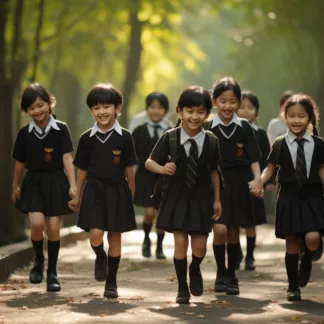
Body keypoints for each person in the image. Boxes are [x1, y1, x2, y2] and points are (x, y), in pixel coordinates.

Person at [145, 86, 222, 304]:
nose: (194, 117)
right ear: (179, 111)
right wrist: (163, 169)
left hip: (201, 197)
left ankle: (195, 267)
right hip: (176, 195)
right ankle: (181, 288)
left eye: (200, 111)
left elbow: (215, 171)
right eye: (189, 111)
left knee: (199, 246)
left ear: (207, 114)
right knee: (180, 243)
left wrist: (217, 200)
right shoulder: (170, 137)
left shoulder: (211, 141)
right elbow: (149, 162)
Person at [68, 83, 137, 299]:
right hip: (94, 191)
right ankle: (100, 256)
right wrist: (77, 196)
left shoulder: (125, 136)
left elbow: (129, 170)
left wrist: (130, 197)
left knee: (115, 236)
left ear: (117, 108)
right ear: (91, 111)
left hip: (118, 190)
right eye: (96, 108)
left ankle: (112, 282)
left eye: (107, 106)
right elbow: (82, 171)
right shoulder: (86, 138)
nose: (102, 112)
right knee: (96, 234)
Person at [12, 83, 75, 292]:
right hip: (34, 182)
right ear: (26, 111)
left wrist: (73, 186)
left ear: (49, 104)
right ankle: (39, 260)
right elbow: (19, 164)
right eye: (31, 108)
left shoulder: (61, 129)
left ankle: (52, 273)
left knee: (54, 228)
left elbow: (67, 158)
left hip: (56, 180)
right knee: (37, 224)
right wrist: (15, 186)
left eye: (40, 105)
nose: (37, 111)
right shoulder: (24, 134)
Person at [261, 93, 324, 302]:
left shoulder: (318, 144)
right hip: (288, 196)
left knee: (313, 238)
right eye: (291, 116)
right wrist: (258, 182)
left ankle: (306, 259)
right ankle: (293, 286)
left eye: (301, 116)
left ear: (310, 118)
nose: (296, 120)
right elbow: (269, 170)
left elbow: (322, 171)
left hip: (312, 196)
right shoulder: (279, 144)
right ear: (284, 117)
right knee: (291, 242)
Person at [205, 77, 262, 295]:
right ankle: (220, 272)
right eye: (223, 101)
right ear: (214, 101)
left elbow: (254, 158)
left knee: (233, 232)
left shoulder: (245, 127)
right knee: (219, 229)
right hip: (215, 185)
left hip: (239, 184)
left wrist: (257, 178)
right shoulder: (208, 126)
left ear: (238, 102)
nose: (228, 106)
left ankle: (231, 274)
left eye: (232, 101)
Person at [132, 92, 170, 259]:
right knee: (149, 213)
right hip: (145, 176)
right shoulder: (139, 131)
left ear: (165, 110)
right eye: (152, 107)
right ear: (146, 109)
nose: (156, 111)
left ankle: (160, 246)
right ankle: (147, 239)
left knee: (161, 214)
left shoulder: (170, 131)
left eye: (160, 108)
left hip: (164, 177)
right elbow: (131, 155)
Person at [236, 90, 270, 270]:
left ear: (256, 111)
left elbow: (266, 160)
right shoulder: (232, 131)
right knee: (232, 222)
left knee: (250, 221)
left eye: (251, 108)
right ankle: (235, 254)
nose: (246, 111)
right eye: (242, 107)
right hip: (234, 181)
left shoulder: (260, 134)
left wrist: (266, 181)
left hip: (254, 181)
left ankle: (249, 256)